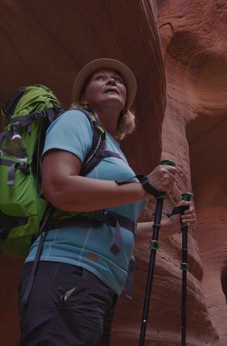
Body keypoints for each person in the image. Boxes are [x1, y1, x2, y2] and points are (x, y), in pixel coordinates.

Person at [17, 58, 197, 345]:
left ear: (126, 104)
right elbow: (57, 186)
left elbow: (111, 224)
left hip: (98, 285)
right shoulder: (76, 121)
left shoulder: (113, 147)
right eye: (100, 78)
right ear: (84, 98)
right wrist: (144, 186)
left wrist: (169, 226)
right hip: (67, 271)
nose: (112, 81)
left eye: (118, 79)